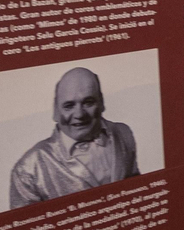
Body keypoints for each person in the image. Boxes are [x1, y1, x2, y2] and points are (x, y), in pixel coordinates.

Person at [9, 68, 139, 209]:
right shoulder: (28, 169)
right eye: (69, 106)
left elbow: (135, 189)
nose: (79, 114)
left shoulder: (123, 134)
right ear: (56, 110)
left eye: (88, 102)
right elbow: (26, 227)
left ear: (101, 102)